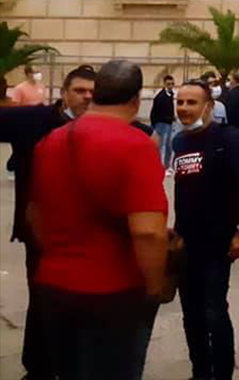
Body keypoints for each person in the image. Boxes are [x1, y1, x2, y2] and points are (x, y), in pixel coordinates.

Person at [28, 60, 168, 380]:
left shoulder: (50, 142)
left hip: (53, 286)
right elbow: (148, 233)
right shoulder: (136, 146)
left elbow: (34, 215)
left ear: (96, 95)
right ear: (135, 100)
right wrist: (154, 287)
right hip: (113, 291)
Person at [0, 64, 96, 379]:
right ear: (64, 93)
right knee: (43, 300)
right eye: (79, 91)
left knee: (83, 302)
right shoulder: (33, 120)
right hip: (41, 231)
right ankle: (39, 367)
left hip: (89, 233)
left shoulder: (106, 126)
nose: (86, 97)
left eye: (92, 93)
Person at [171, 80, 239, 380]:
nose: (183, 108)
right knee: (191, 313)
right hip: (186, 243)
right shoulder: (179, 142)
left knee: (214, 311)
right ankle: (200, 371)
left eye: (191, 102)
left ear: (208, 106)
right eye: (180, 102)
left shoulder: (229, 138)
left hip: (218, 242)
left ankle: (222, 373)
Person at [149, 74, 176, 170]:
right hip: (161, 123)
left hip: (168, 122)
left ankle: (166, 165)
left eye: (172, 84)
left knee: (168, 145)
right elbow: (154, 112)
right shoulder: (160, 97)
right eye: (169, 84)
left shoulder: (170, 95)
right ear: (165, 84)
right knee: (161, 145)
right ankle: (158, 165)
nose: (171, 86)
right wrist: (154, 125)